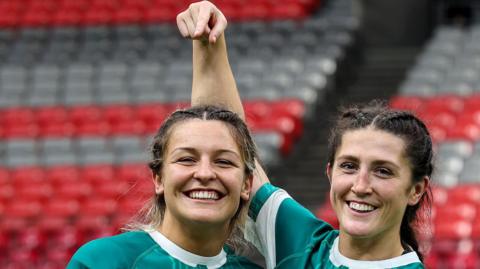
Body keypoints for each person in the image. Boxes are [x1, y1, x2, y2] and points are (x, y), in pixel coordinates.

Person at [179, 1, 433, 268]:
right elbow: (225, 140)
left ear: (416, 190)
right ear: (329, 172)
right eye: (348, 166)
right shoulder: (299, 243)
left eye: (383, 171)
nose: (360, 186)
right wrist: (208, 42)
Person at [67, 105, 263, 268]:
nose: (204, 173)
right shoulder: (103, 261)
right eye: (186, 159)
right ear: (159, 179)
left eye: (224, 162)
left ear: (247, 185)